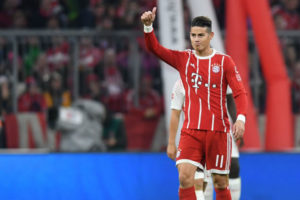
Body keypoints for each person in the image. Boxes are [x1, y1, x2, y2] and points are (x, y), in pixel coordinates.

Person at [141, 7, 247, 200]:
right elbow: (155, 49)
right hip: (191, 132)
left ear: (211, 36)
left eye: (200, 35)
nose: (196, 39)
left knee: (220, 183)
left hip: (219, 132)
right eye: (193, 35)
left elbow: (240, 93)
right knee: (185, 177)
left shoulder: (225, 62)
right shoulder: (184, 59)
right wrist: (148, 27)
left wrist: (240, 119)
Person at [168, 79, 242, 200]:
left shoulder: (220, 71)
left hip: (219, 134)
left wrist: (238, 122)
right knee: (195, 179)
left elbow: (230, 99)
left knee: (227, 173)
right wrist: (171, 143)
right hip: (193, 136)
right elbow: (175, 112)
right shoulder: (181, 82)